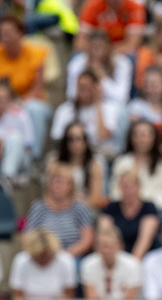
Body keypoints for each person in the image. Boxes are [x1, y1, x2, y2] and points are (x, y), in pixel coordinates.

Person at [0, 14, 50, 156]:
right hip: (4, 101)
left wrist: (19, 103)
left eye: (8, 33)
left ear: (20, 33)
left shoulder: (35, 54)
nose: (5, 38)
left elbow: (37, 89)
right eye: (2, 34)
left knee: (33, 108)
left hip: (30, 101)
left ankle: (34, 157)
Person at [25, 163, 94, 257]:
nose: (57, 186)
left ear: (70, 185)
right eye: (55, 182)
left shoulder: (80, 208)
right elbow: (28, 236)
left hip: (72, 257)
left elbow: (87, 239)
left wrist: (67, 254)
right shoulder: (39, 207)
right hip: (42, 256)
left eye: (61, 182)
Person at [109, 121, 162, 213]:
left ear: (154, 137)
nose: (142, 140)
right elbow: (115, 191)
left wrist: (145, 207)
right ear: (131, 138)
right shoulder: (122, 162)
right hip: (126, 210)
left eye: (146, 135)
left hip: (157, 210)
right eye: (137, 135)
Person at [77, 0, 146, 56]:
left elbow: (132, 44)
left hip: (120, 53)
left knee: (131, 58)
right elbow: (80, 42)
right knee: (77, 58)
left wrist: (107, 53)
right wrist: (96, 53)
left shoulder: (135, 7)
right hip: (94, 53)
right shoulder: (92, 6)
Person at [99, 168, 159, 260]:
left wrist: (132, 264)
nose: (126, 190)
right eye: (123, 186)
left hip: (141, 258)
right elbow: (104, 236)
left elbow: (144, 240)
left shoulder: (148, 208)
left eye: (130, 186)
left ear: (138, 186)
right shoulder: (111, 208)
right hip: (114, 257)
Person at [10, 227, 76, 300]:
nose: (43, 259)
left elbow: (69, 295)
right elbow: (17, 296)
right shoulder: (21, 260)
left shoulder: (66, 260)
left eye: (47, 256)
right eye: (39, 256)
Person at [49, 121, 106, 210]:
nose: (75, 143)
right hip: (57, 209)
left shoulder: (94, 165)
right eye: (71, 139)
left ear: (86, 141)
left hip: (85, 210)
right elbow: (48, 193)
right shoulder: (55, 162)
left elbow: (95, 199)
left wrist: (74, 201)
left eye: (79, 138)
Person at [66, 32, 133, 107]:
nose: (96, 52)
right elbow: (71, 95)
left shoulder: (122, 64)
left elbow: (122, 98)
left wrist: (103, 78)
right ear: (87, 48)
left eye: (100, 47)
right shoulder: (76, 64)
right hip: (84, 105)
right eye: (93, 47)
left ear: (109, 48)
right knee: (65, 109)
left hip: (110, 106)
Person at [80, 225, 142, 300]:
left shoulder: (132, 264)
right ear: (96, 247)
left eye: (111, 246)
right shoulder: (88, 264)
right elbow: (91, 298)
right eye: (103, 246)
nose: (106, 251)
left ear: (120, 245)